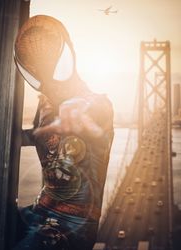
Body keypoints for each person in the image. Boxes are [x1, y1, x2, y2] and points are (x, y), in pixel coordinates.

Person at [13, 15, 114, 250]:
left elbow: (96, 109)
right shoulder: (45, 105)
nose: (48, 82)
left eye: (52, 68)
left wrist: (81, 105)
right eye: (36, 72)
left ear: (68, 57)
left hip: (75, 225)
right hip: (38, 210)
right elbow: (39, 136)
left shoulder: (99, 106)